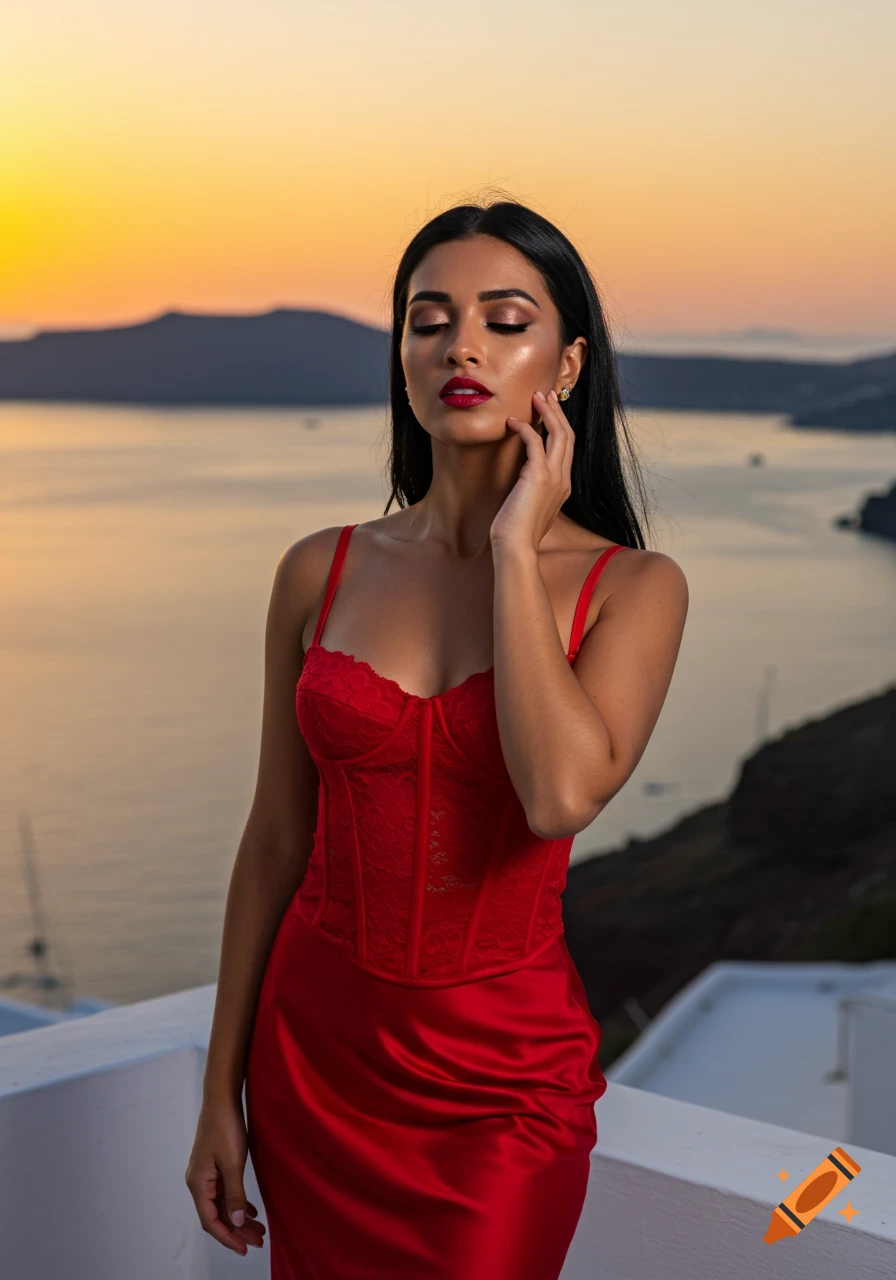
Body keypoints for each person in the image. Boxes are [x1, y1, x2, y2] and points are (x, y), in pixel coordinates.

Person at [185, 198, 689, 1278]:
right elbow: (274, 841)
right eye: (428, 318)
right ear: (402, 356)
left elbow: (556, 796)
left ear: (566, 362)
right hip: (309, 1063)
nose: (460, 344)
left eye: (504, 320)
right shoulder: (316, 569)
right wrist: (218, 1092)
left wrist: (515, 550)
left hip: (500, 1091)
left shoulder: (632, 587)